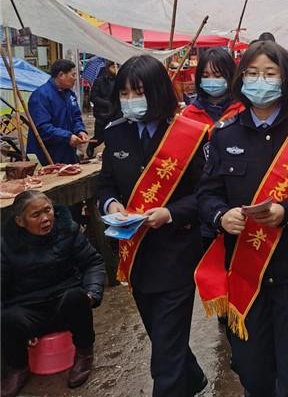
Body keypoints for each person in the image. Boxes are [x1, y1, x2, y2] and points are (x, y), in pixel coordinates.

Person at [195, 40, 288, 396]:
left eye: (269, 73)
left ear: (285, 79)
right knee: (252, 371)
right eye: (251, 73)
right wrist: (220, 215)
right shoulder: (223, 134)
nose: (259, 81)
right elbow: (206, 194)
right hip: (246, 273)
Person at [97, 55, 210, 396]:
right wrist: (111, 204)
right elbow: (105, 185)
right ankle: (192, 377)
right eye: (125, 93)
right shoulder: (115, 134)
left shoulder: (190, 135)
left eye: (139, 92)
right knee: (163, 335)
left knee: (164, 355)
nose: (131, 100)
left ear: (159, 92)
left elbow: (206, 195)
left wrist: (171, 212)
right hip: (133, 252)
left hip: (177, 251)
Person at [1, 191, 105, 397]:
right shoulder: (6, 246)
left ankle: (84, 352)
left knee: (77, 297)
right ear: (20, 221)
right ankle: (18, 368)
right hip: (28, 308)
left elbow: (93, 262)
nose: (46, 218)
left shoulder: (68, 230)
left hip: (64, 301)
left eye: (48, 210)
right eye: (36, 214)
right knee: (7, 318)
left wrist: (93, 292)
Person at [26, 59, 88, 165]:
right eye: (73, 75)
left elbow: (76, 116)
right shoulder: (41, 96)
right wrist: (67, 136)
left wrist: (80, 130)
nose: (75, 79)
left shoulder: (70, 94)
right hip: (47, 153)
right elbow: (42, 127)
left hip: (66, 151)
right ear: (61, 75)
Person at [182, 48, 245, 135]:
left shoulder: (243, 110)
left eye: (218, 75)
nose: (211, 80)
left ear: (230, 76)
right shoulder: (189, 114)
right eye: (205, 76)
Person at [86, 61, 118, 158]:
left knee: (113, 137)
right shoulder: (99, 81)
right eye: (113, 67)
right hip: (102, 114)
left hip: (115, 114)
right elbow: (93, 97)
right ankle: (91, 146)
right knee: (99, 137)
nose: (115, 69)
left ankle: (110, 155)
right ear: (108, 68)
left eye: (116, 67)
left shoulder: (120, 81)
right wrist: (107, 103)